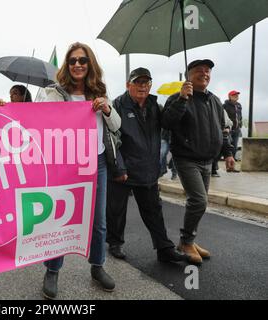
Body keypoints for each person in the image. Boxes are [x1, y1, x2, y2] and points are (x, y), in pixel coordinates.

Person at [34, 42, 121, 299]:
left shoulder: (99, 92)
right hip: (66, 164)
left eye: (82, 60)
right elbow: (39, 118)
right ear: (67, 65)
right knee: (60, 218)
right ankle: (52, 270)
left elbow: (116, 125)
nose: (78, 65)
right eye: (73, 61)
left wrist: (105, 108)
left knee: (98, 221)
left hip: (98, 163)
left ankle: (97, 266)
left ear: (89, 63)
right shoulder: (55, 92)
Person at [106, 68, 186, 263]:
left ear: (150, 86)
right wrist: (119, 168)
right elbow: (111, 138)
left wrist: (182, 99)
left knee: (153, 211)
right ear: (128, 85)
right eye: (138, 82)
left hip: (147, 169)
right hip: (123, 169)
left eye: (146, 83)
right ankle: (115, 243)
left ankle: (164, 248)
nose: (142, 86)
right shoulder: (117, 104)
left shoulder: (154, 105)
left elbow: (169, 122)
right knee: (116, 210)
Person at [161, 59, 235, 265]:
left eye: (207, 71)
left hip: (207, 159)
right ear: (189, 76)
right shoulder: (177, 98)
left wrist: (228, 153)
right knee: (199, 201)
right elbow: (166, 123)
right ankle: (185, 243)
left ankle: (189, 241)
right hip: (186, 158)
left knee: (200, 204)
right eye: (199, 71)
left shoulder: (215, 101)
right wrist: (183, 99)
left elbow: (224, 130)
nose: (205, 73)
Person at [223, 90, 243, 161]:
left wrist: (240, 125)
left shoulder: (239, 105)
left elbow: (240, 116)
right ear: (230, 96)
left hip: (237, 129)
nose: (236, 96)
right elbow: (222, 117)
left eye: (237, 95)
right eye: (234, 95)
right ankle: (226, 160)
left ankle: (232, 161)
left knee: (235, 146)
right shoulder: (225, 105)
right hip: (228, 129)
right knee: (227, 145)